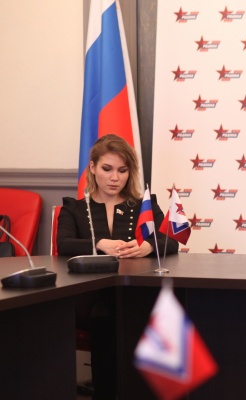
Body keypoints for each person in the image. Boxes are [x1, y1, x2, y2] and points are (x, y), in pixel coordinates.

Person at [57, 134, 178, 399]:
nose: (115, 178)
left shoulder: (144, 206)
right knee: (106, 313)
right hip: (91, 298)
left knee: (144, 310)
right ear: (92, 168)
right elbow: (63, 244)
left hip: (138, 293)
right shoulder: (74, 208)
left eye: (122, 171)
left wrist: (148, 246)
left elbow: (171, 240)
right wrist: (99, 243)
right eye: (107, 169)